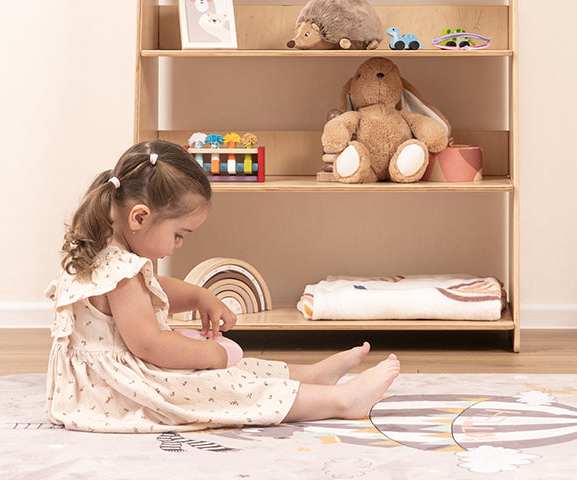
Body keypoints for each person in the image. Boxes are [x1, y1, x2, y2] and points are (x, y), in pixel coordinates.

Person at [46, 139, 399, 432]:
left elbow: (150, 290)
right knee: (221, 387)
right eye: (179, 234)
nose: (179, 244)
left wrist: (199, 296)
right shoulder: (120, 267)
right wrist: (208, 354)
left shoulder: (109, 251)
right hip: (116, 391)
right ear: (140, 217)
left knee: (228, 371)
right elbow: (149, 344)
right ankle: (341, 401)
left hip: (116, 376)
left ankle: (310, 376)